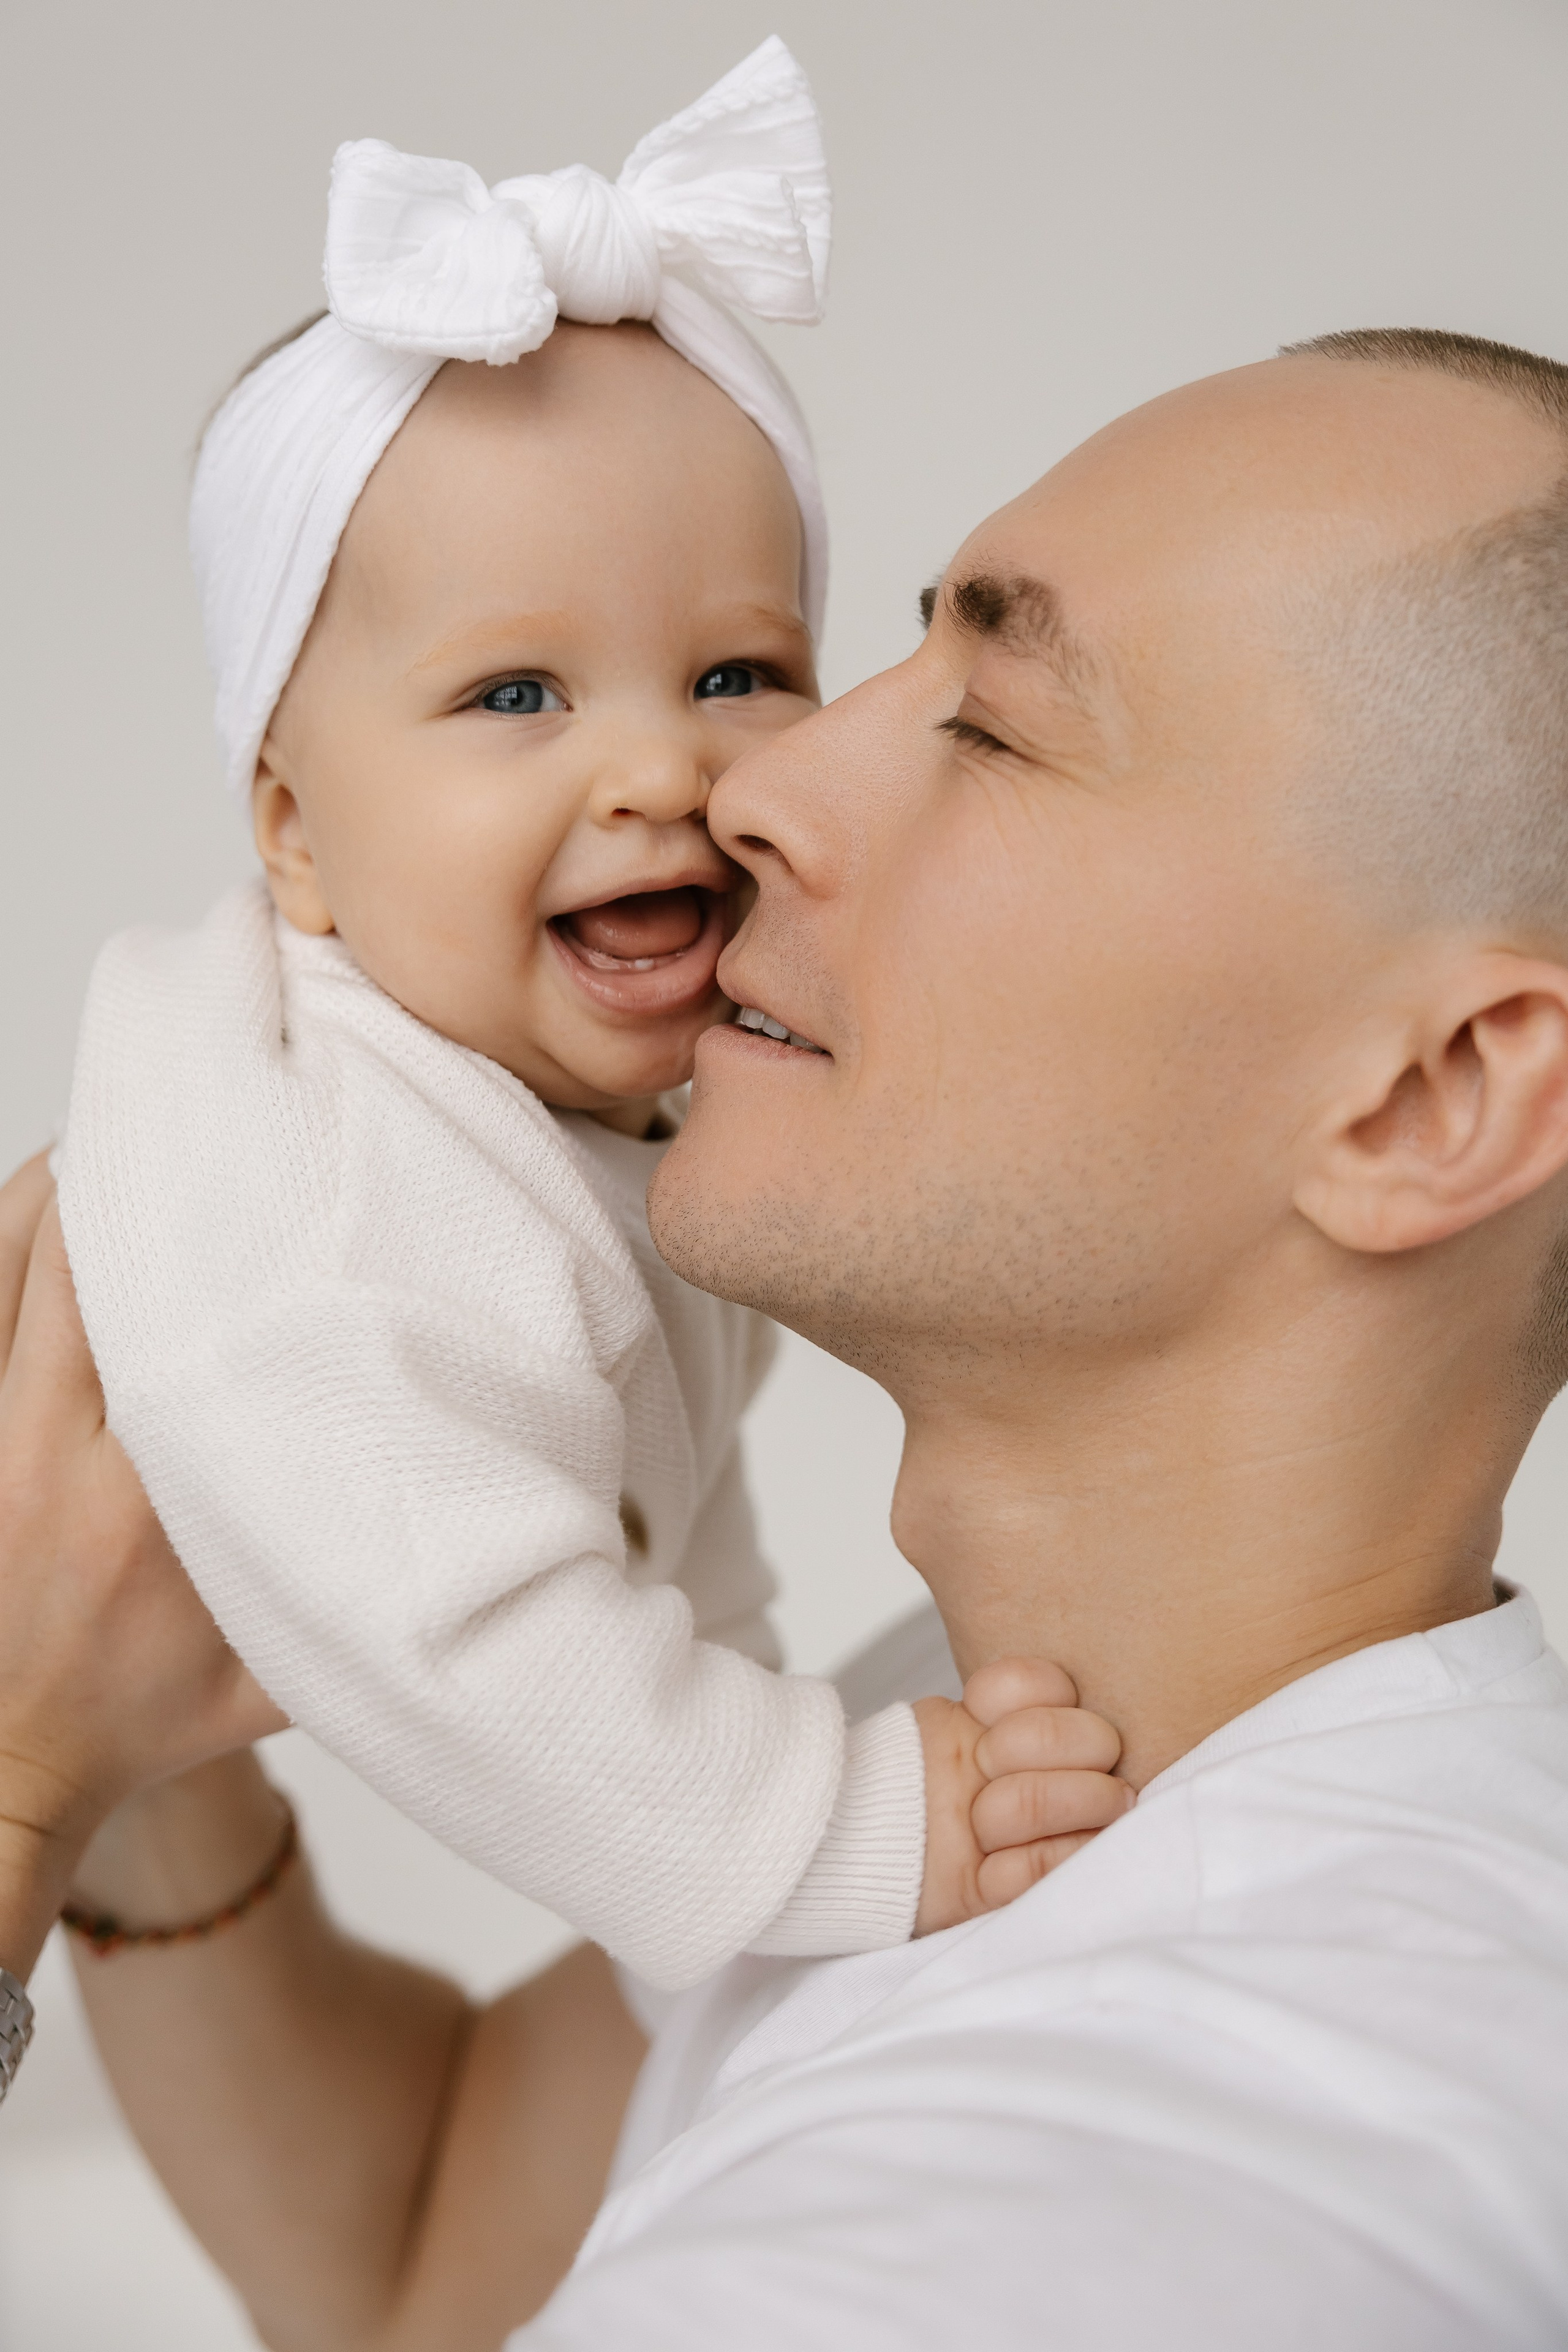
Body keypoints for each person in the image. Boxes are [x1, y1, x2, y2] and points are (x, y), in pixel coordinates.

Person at [4, 322, 1568, 2348]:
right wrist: (124, 1748)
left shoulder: (1133, 2189)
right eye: (883, 663)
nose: (742, 788)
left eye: (992, 729)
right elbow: (420, 2256)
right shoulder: (1032, 1738)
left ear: (1431, 1095)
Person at [52, 37, 1106, 1998]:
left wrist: (750, 1768)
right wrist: (849, 1825)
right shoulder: (349, 1213)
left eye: (736, 672)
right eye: (517, 697)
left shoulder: (631, 1128)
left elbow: (663, 1518)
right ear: (295, 837)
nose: (658, 770)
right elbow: (468, 1644)